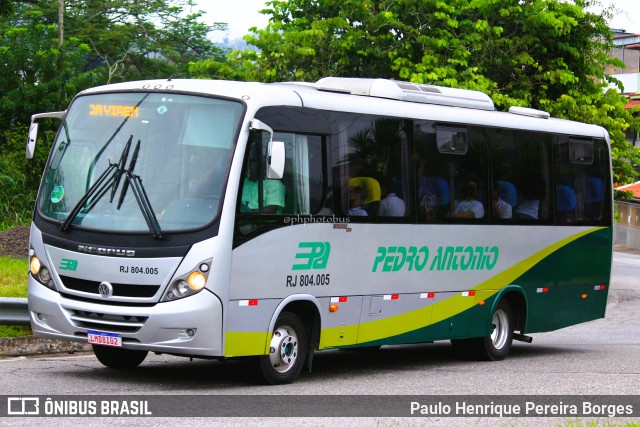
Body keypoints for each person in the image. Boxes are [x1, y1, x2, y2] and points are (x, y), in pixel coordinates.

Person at [240, 142, 285, 214]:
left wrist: (245, 212)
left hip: (266, 224)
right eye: (245, 160)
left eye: (252, 160)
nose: (248, 164)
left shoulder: (274, 183)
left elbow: (270, 211)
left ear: (260, 162)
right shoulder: (239, 183)